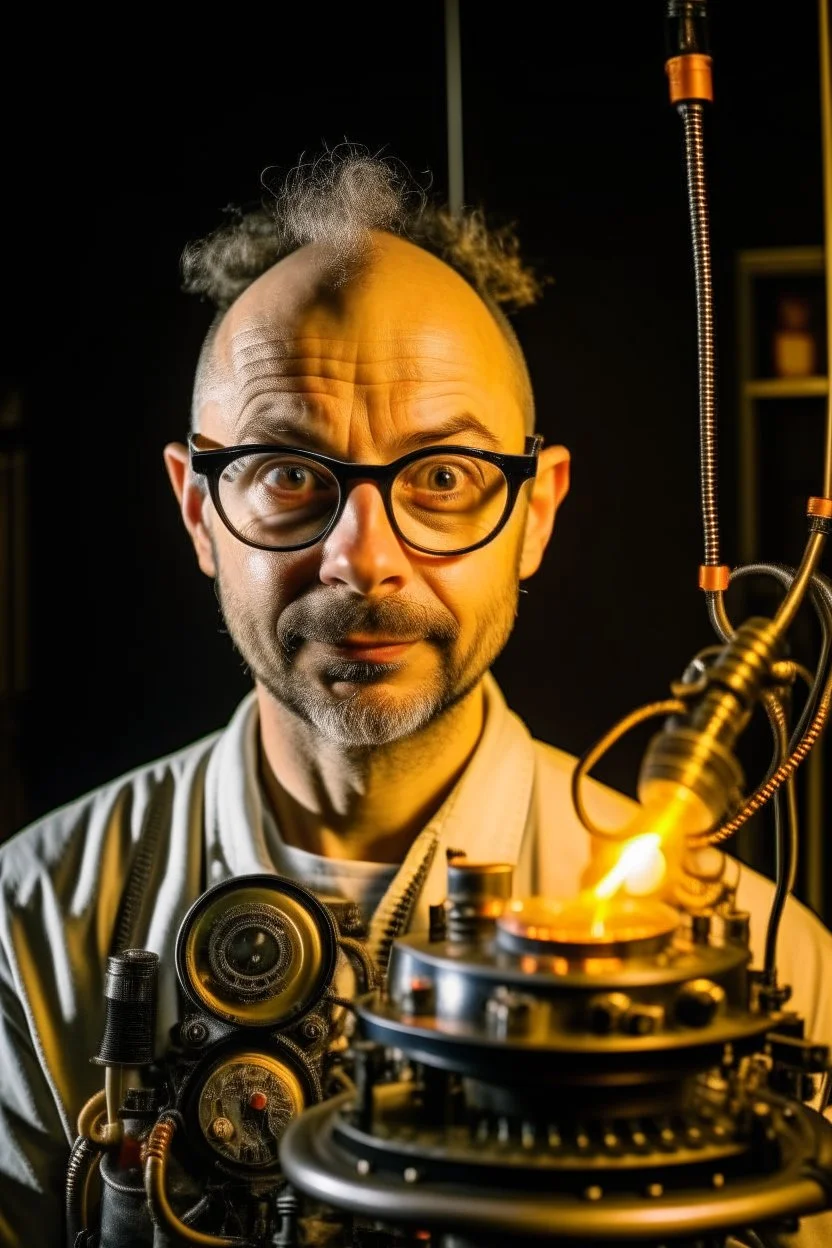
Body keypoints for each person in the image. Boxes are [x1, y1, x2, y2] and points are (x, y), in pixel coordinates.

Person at [1, 145, 831, 1247]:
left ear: (535, 511)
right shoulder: (26, 931)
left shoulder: (765, 972)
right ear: (198, 512)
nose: (365, 558)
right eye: (290, 474)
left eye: (441, 478)